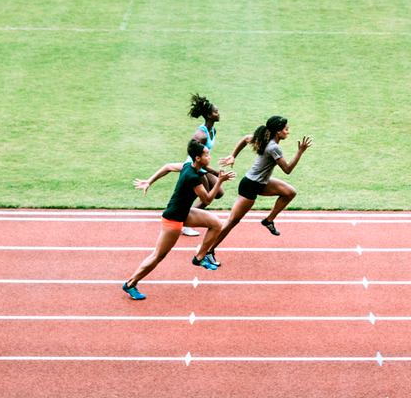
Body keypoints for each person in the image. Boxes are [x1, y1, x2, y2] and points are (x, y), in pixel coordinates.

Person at [122, 139, 235, 300]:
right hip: (174, 218)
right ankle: (130, 284)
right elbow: (208, 199)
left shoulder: (189, 166)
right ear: (197, 158)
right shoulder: (192, 176)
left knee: (216, 223)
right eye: (207, 155)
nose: (209, 157)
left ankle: (200, 258)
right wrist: (220, 182)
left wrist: (149, 181)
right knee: (158, 256)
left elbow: (168, 166)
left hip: (185, 212)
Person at [206, 116, 313, 256]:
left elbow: (245, 139)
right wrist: (300, 152)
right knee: (232, 221)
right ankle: (208, 251)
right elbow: (287, 169)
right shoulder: (274, 147)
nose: (288, 132)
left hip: (261, 183)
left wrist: (233, 156)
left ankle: (268, 220)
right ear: (278, 132)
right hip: (250, 185)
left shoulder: (264, 138)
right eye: (286, 129)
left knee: (290, 192)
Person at [180, 93, 223, 238]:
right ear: (209, 115)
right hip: (194, 166)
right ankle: (185, 223)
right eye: (216, 112)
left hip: (202, 164)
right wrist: (214, 172)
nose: (219, 113)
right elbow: (197, 158)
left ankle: (186, 218)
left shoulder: (212, 130)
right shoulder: (201, 135)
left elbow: (204, 155)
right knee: (206, 198)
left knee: (219, 193)